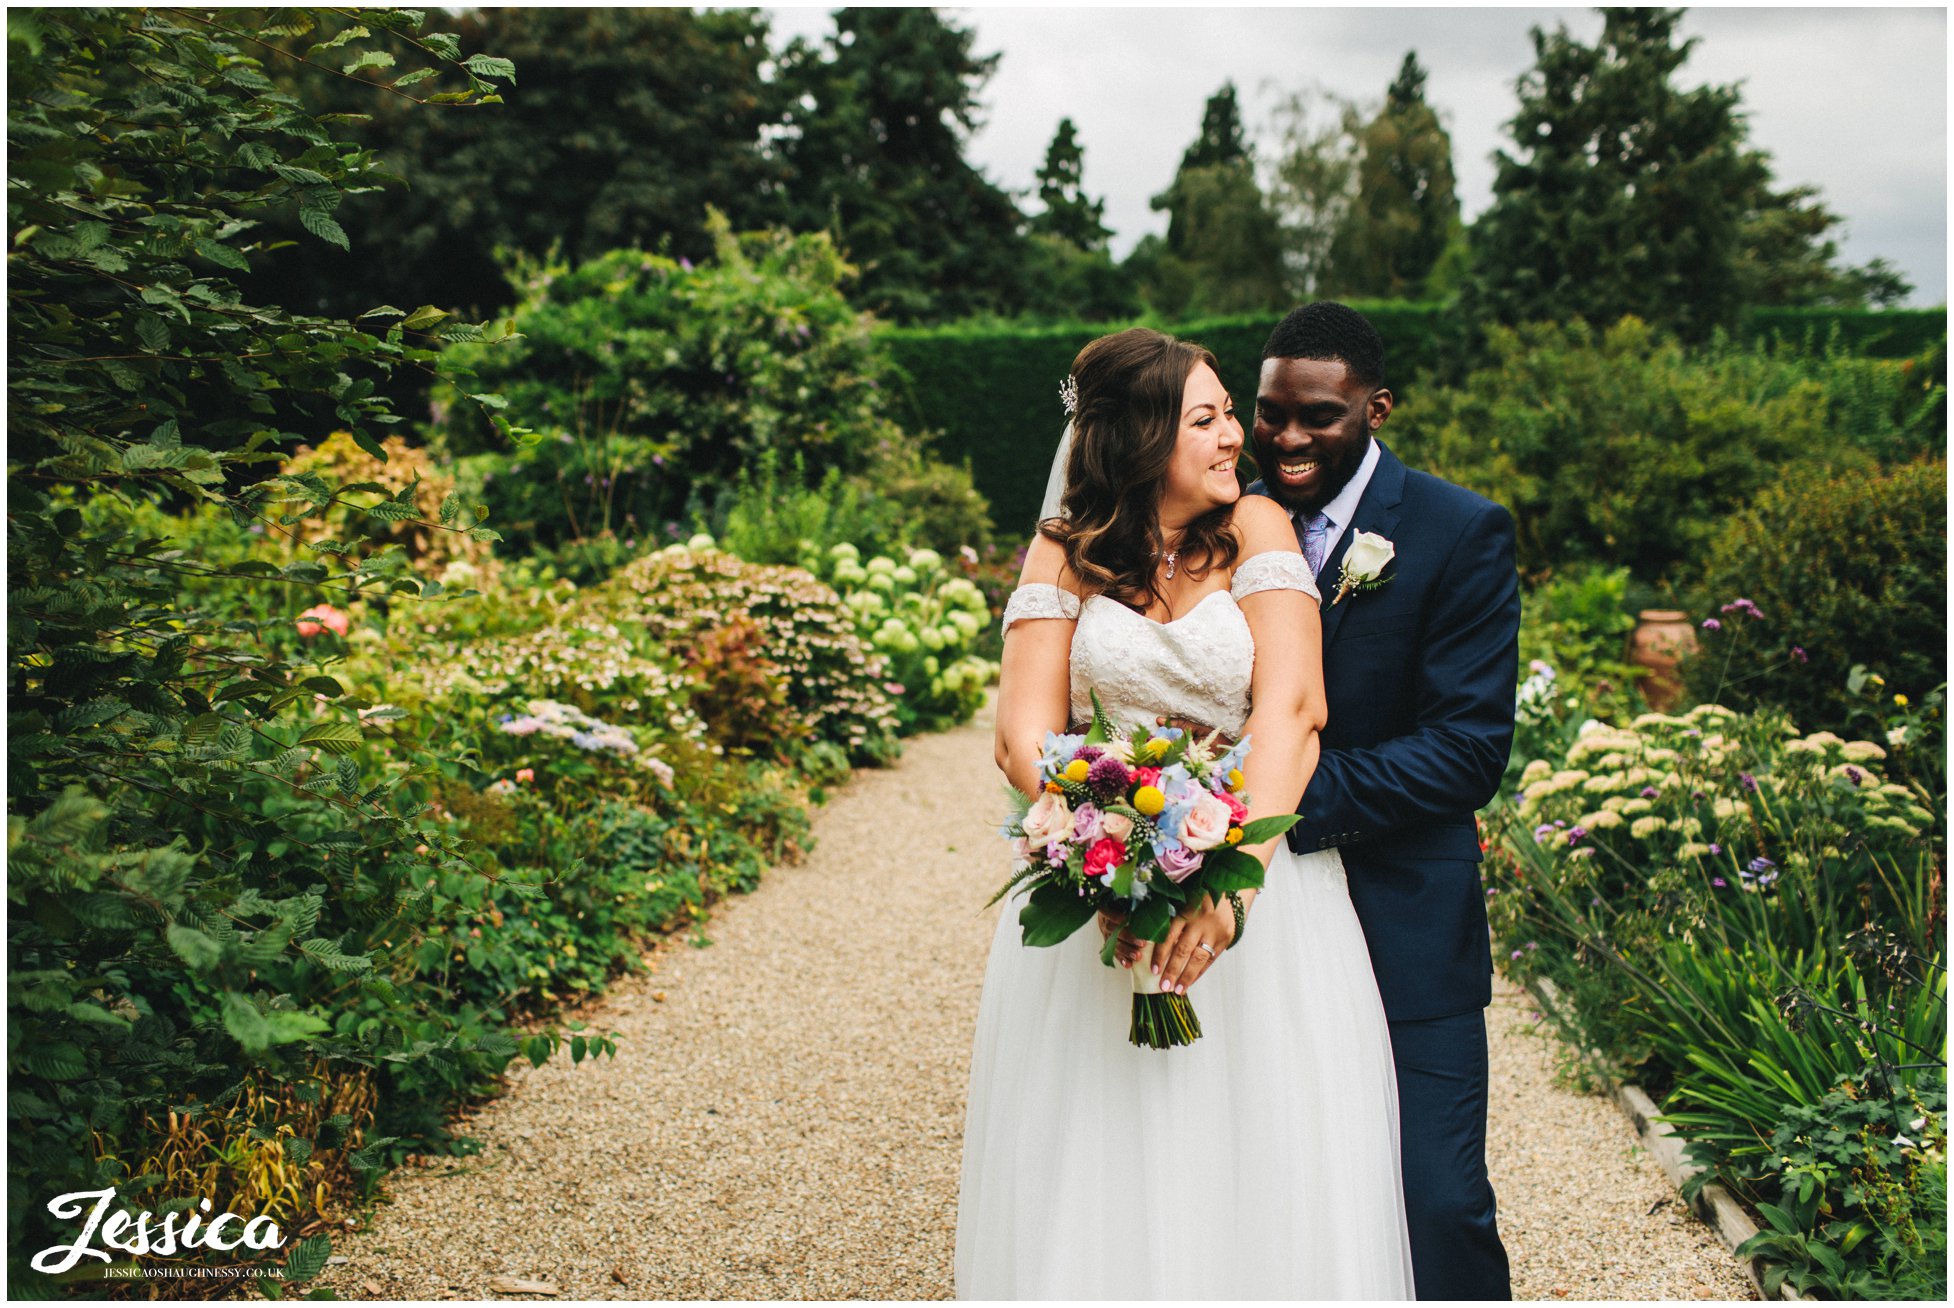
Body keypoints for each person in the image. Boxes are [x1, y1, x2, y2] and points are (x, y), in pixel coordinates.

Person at [953, 327, 1414, 1298]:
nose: (1232, 436)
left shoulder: (1256, 528)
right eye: (1204, 419)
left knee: (1265, 1145)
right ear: (1139, 437)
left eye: (1225, 414)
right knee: (1098, 1148)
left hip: (1261, 889)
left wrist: (1228, 886)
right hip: (1101, 900)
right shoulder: (1063, 551)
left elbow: (1294, 712)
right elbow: (1020, 738)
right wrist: (1105, 847)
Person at [1244, 301, 1519, 1299]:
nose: (1286, 437)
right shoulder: (1219, 521)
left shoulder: (1457, 531)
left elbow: (1466, 750)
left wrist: (1272, 799)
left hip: (1407, 920)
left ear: (1376, 407)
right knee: (1278, 1195)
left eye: (1318, 415)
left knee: (1438, 1203)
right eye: (1270, 412)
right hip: (1253, 927)